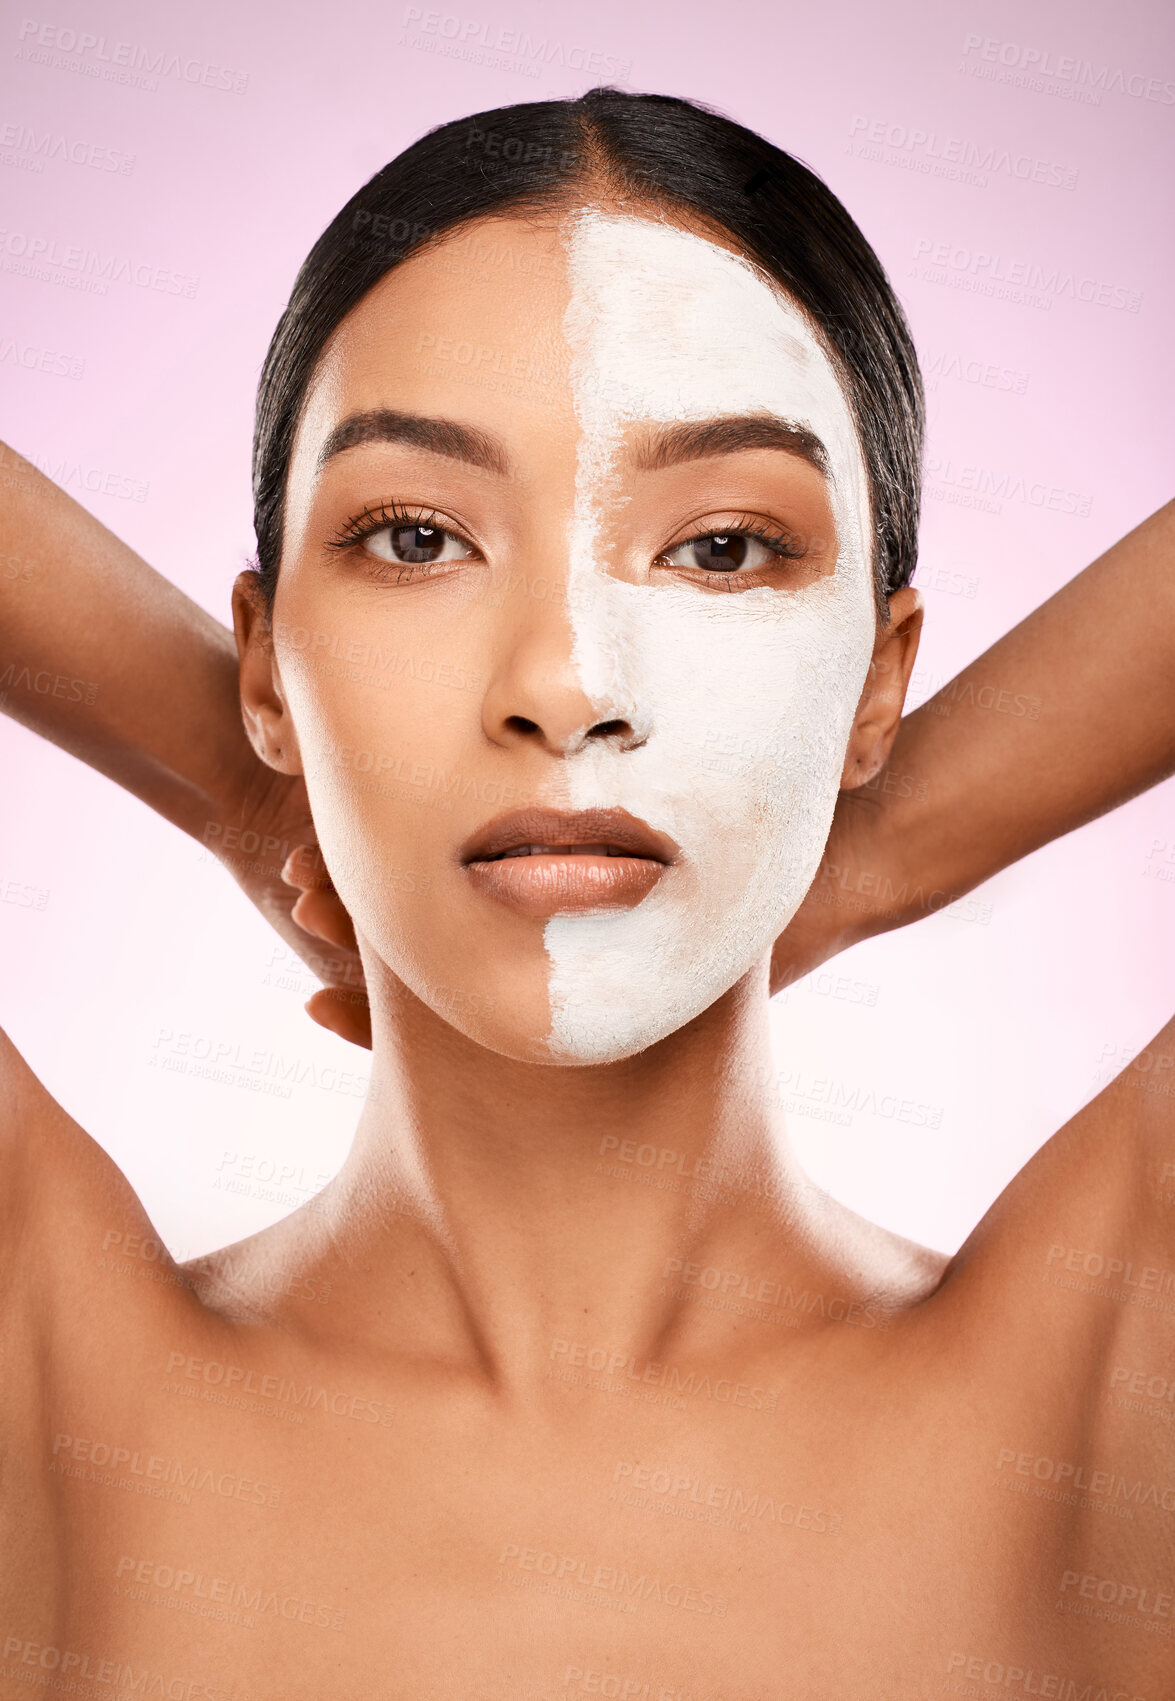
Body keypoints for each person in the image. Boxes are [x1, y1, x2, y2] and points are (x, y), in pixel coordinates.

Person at [2, 87, 1173, 1698]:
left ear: (875, 678)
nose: (567, 682)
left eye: (723, 549)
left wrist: (892, 840)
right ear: (273, 655)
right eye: (416, 535)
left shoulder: (1117, 1382)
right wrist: (239, 775)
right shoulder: (45, 1386)